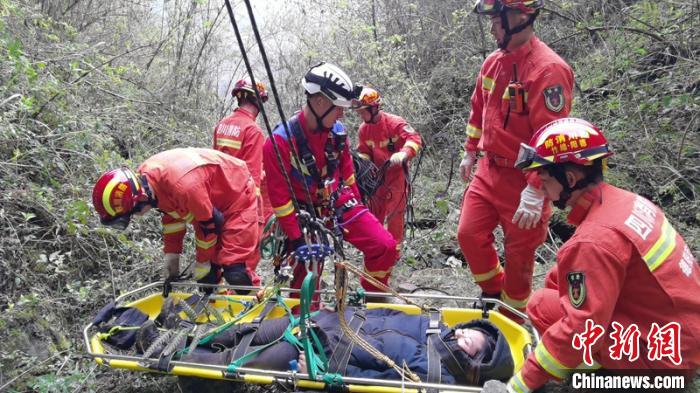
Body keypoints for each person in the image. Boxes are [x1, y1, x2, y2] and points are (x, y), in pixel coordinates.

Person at [502, 117, 700, 392]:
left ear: (570, 179)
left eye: (545, 181)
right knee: (544, 302)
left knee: (550, 314)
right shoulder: (627, 202)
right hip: (681, 331)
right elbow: (567, 273)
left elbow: (578, 329)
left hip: (664, 358)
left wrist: (519, 385)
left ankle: (604, 379)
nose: (544, 192)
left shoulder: (594, 240)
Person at [457, 0, 574, 321]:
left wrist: (536, 189)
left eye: (497, 19)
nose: (492, 26)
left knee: (519, 257)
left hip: (526, 180)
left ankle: (512, 320)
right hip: (488, 170)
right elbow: (478, 108)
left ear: (520, 17)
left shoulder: (549, 70)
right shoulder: (493, 63)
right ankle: (493, 292)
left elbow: (552, 137)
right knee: (468, 234)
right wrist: (470, 150)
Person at [136, 300, 514, 386]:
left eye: (471, 344)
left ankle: (166, 352)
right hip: (320, 322)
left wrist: (327, 372)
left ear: (474, 365)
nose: (461, 335)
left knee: (238, 357)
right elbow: (383, 315)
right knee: (242, 331)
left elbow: (374, 383)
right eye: (469, 330)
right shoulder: (432, 327)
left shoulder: (432, 377)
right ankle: (181, 334)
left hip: (312, 353)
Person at [262, 62, 398, 296]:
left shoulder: (337, 133)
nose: (342, 113)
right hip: (303, 214)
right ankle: (308, 319)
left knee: (384, 246)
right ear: (320, 102)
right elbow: (279, 197)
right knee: (306, 281)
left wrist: (359, 211)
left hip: (337, 201)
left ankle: (375, 298)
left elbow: (348, 175)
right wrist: (296, 239)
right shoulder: (280, 142)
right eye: (338, 107)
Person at [92, 148, 262, 292]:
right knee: (208, 278)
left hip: (238, 196)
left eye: (132, 214)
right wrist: (172, 254)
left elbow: (208, 226)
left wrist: (203, 262)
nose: (135, 217)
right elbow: (172, 214)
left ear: (140, 200)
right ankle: (219, 310)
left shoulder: (184, 187)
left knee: (236, 272)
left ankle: (256, 311)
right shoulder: (149, 180)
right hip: (211, 206)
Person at [353, 85, 423, 250]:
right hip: (377, 178)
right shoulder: (364, 130)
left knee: (395, 215)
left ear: (374, 107)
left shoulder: (395, 123)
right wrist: (362, 165)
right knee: (373, 213)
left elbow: (414, 138)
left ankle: (394, 251)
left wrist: (404, 153)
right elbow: (364, 151)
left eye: (363, 111)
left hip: (397, 176)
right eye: (359, 112)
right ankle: (376, 247)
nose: (361, 115)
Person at [213, 78, 274, 224]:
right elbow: (252, 177)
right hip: (239, 205)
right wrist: (254, 215)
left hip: (218, 199)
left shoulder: (221, 125)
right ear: (257, 101)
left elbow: (213, 162)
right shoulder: (253, 130)